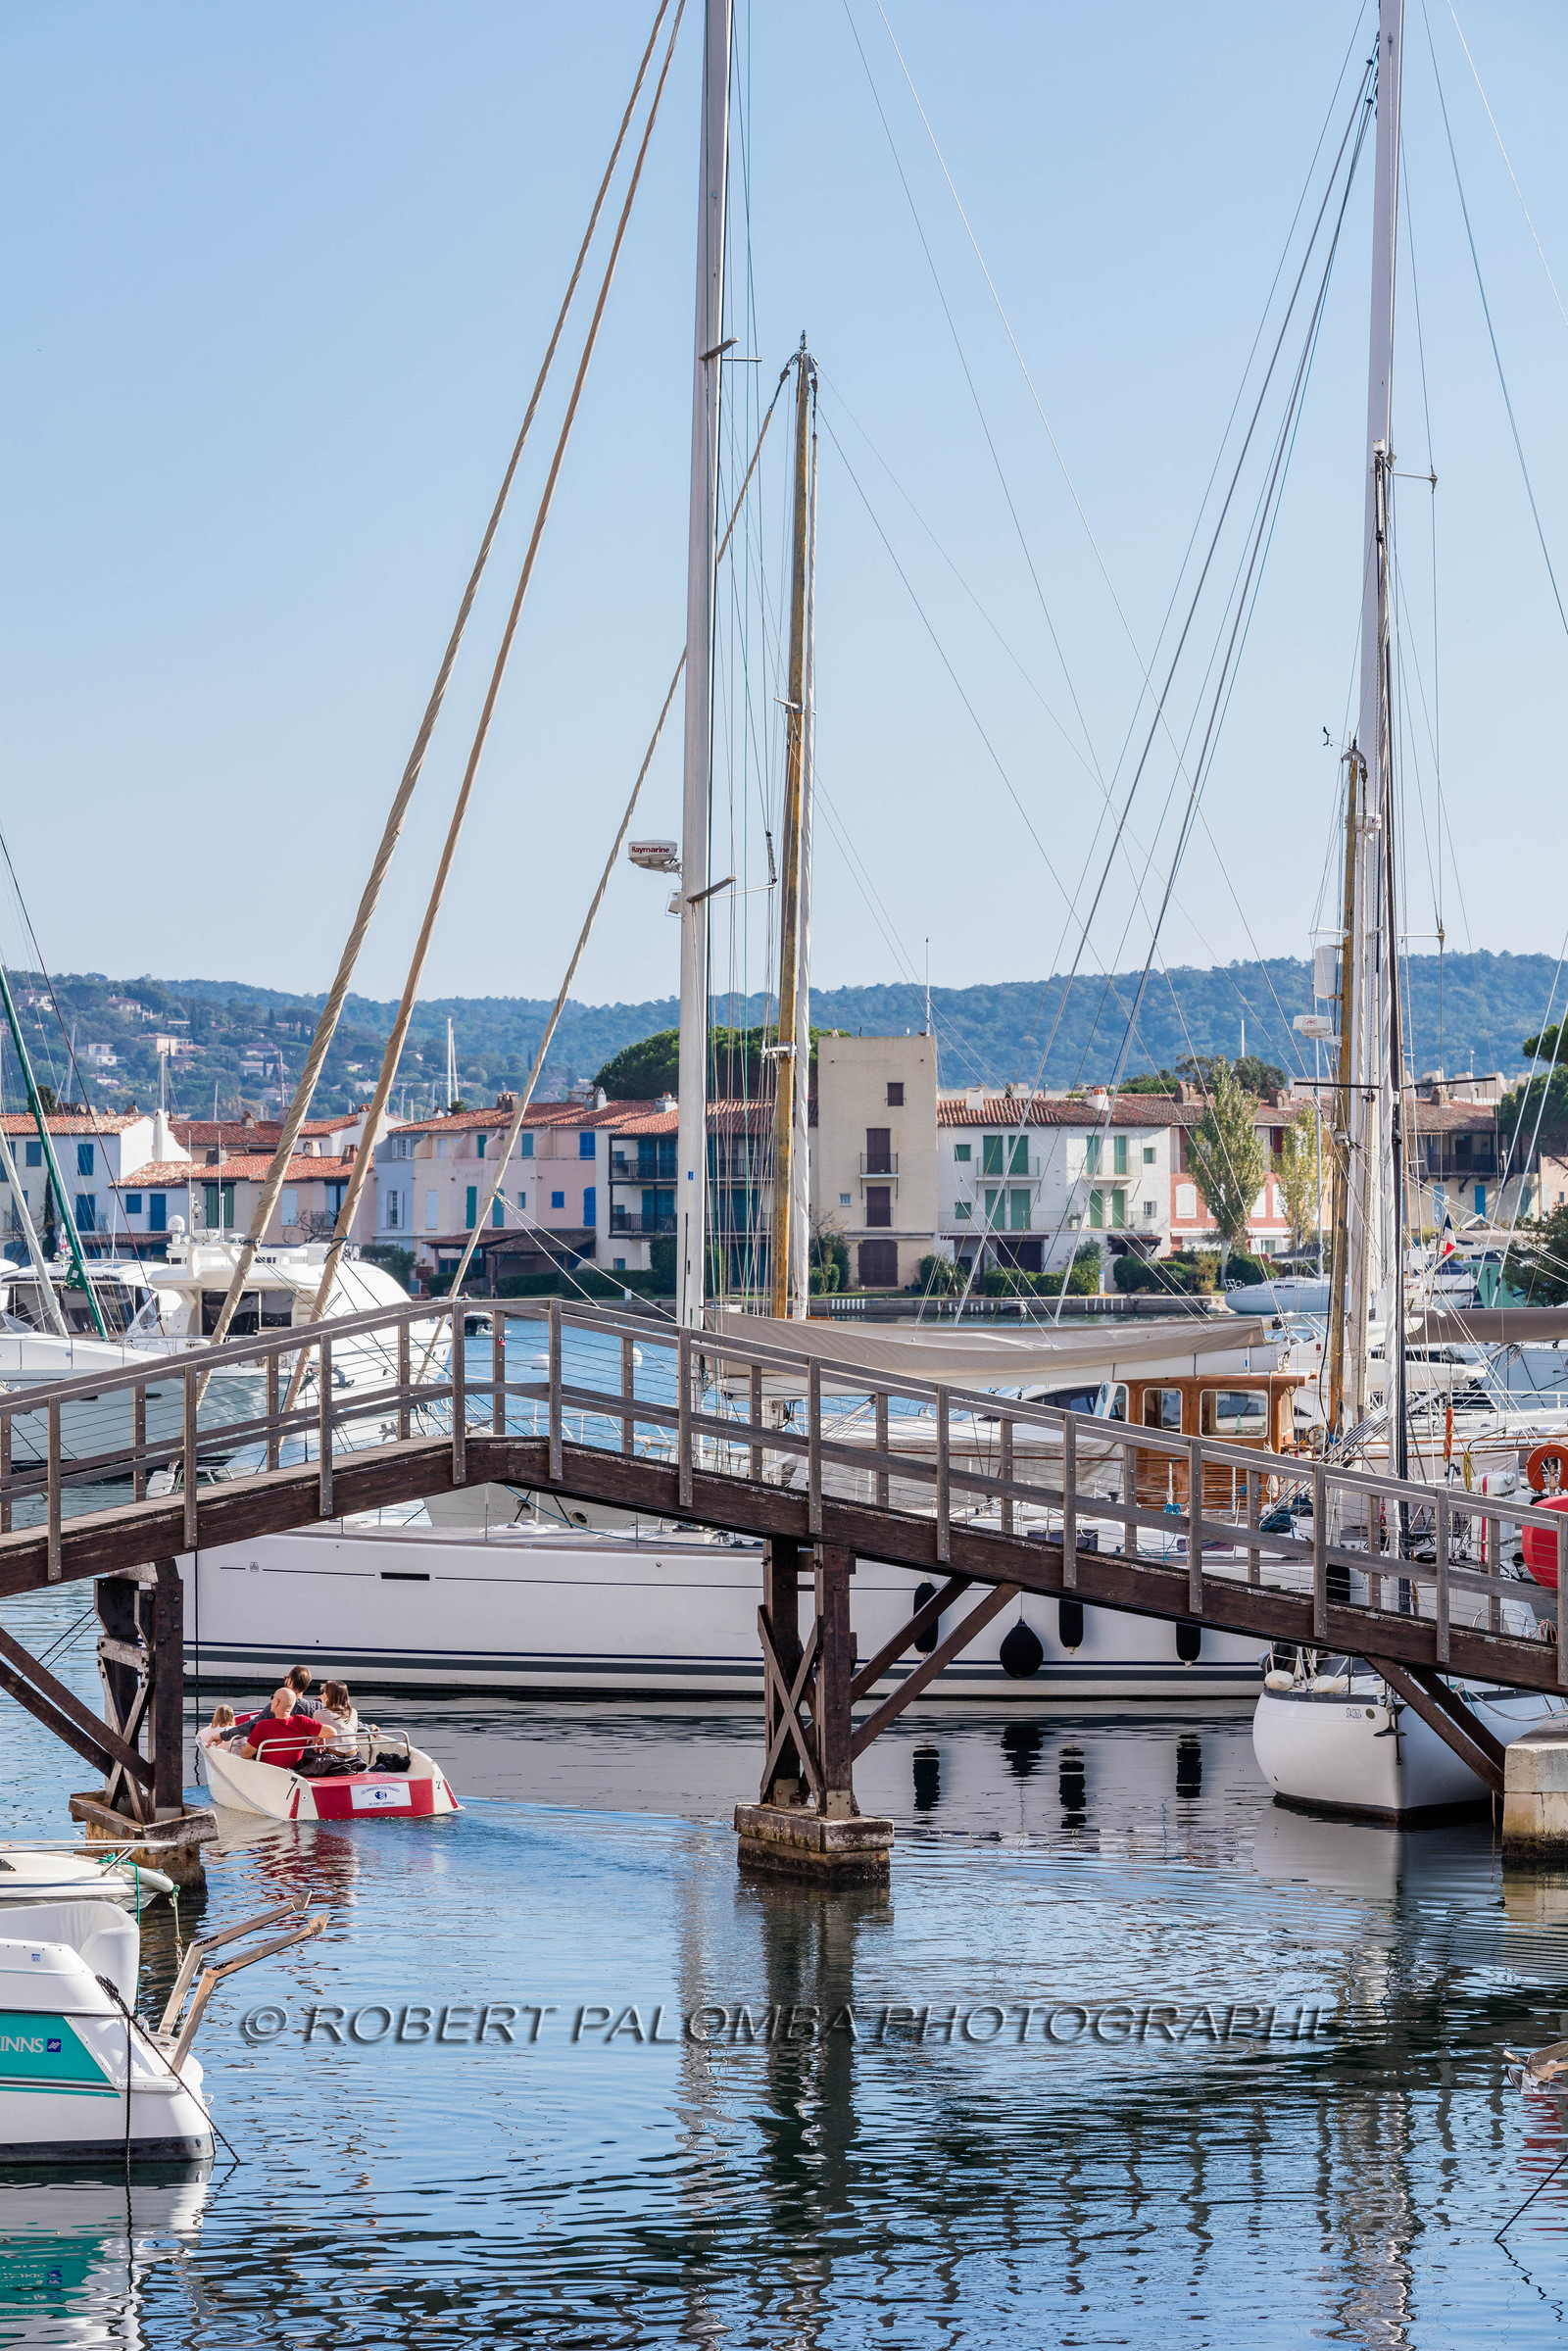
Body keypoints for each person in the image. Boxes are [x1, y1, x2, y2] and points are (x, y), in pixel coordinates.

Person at [238, 1687, 322, 1764]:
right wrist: (320, 1735)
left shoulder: (262, 1726)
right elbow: (332, 1732)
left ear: (276, 1702)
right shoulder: (302, 1721)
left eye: (272, 1698)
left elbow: (245, 1754)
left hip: (267, 1772)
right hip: (294, 1770)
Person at [313, 1680, 360, 1758]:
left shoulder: (319, 1713)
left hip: (332, 1757)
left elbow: (316, 1737)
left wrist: (323, 1703)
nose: (322, 1694)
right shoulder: (353, 1712)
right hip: (354, 1755)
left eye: (323, 1692)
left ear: (328, 1695)